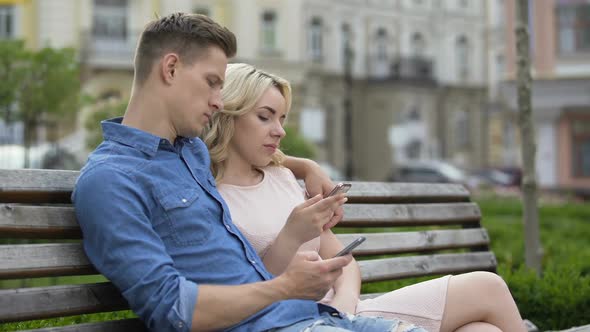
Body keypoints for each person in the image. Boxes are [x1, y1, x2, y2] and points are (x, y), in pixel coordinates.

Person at [72, 12, 428, 332]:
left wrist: (306, 166)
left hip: (307, 318)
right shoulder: (110, 181)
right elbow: (173, 309)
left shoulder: (190, 151)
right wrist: (285, 286)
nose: (218, 100)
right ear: (171, 68)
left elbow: (251, 156)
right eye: (212, 81)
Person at [203, 63, 529, 332]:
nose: (280, 130)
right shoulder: (207, 195)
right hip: (295, 322)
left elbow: (343, 262)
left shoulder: (283, 178)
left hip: (349, 314)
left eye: (282, 118)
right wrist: (291, 235)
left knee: (487, 292)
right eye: (265, 117)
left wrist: (346, 305)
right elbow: (244, 297)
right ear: (229, 114)